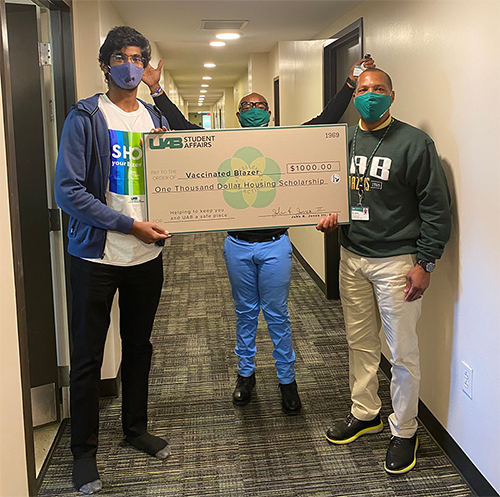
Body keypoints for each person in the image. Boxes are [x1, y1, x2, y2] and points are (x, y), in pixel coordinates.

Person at [142, 57, 374, 415]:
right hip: (237, 245)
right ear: (237, 115)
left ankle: (287, 381)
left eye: (260, 105)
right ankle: (245, 375)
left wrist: (350, 83)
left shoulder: (283, 142)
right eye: (247, 106)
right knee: (245, 313)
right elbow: (182, 126)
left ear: (270, 113)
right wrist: (156, 90)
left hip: (275, 246)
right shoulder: (220, 143)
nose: (254, 109)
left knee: (278, 315)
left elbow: (324, 122)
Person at [54, 26, 172, 494]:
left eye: (138, 58)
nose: (130, 64)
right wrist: (128, 225)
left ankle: (135, 429)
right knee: (87, 356)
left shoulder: (153, 117)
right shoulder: (85, 117)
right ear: (105, 65)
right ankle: (83, 453)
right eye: (121, 57)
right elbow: (68, 191)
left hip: (147, 256)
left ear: (145, 68)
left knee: (139, 347)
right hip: (97, 256)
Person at [316, 67, 451, 474]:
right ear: (353, 95)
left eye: (378, 89)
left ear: (392, 95)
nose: (369, 95)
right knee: (359, 340)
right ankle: (365, 412)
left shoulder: (414, 142)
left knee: (402, 351)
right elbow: (328, 188)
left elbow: (436, 208)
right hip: (351, 255)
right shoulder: (341, 140)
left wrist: (425, 262)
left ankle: (405, 430)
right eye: (363, 89)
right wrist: (327, 215)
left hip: (397, 262)